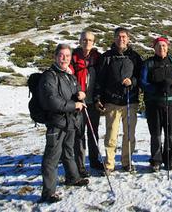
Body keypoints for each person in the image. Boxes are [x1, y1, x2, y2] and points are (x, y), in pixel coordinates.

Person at [39, 43, 88, 204]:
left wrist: (80, 94)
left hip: (70, 121)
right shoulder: (49, 76)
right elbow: (52, 101)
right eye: (61, 55)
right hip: (56, 122)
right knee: (52, 157)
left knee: (68, 152)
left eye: (67, 56)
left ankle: (72, 178)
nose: (64, 59)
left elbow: (74, 91)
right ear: (55, 56)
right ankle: (48, 192)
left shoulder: (68, 74)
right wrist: (74, 105)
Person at [95, 27, 143, 173]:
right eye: (118, 36)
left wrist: (132, 81)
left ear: (128, 39)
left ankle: (127, 162)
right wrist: (98, 97)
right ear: (114, 38)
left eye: (124, 37)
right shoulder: (106, 57)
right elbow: (100, 80)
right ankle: (109, 164)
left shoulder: (135, 57)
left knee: (129, 134)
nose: (121, 39)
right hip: (112, 102)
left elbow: (141, 76)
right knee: (111, 135)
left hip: (130, 101)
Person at [141, 37, 172, 171]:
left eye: (164, 46)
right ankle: (156, 160)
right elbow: (143, 82)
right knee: (155, 134)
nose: (162, 48)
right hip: (153, 105)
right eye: (159, 46)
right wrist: (156, 88)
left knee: (170, 134)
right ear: (154, 48)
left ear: (167, 47)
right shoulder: (148, 63)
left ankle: (169, 160)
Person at [72, 30, 103, 175]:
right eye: (84, 40)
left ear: (94, 42)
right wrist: (76, 92)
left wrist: (99, 97)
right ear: (80, 41)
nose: (87, 42)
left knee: (93, 132)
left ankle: (95, 161)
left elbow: (102, 78)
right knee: (79, 134)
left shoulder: (98, 57)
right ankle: (80, 165)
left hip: (93, 102)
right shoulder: (73, 57)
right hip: (79, 103)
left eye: (90, 40)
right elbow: (69, 77)